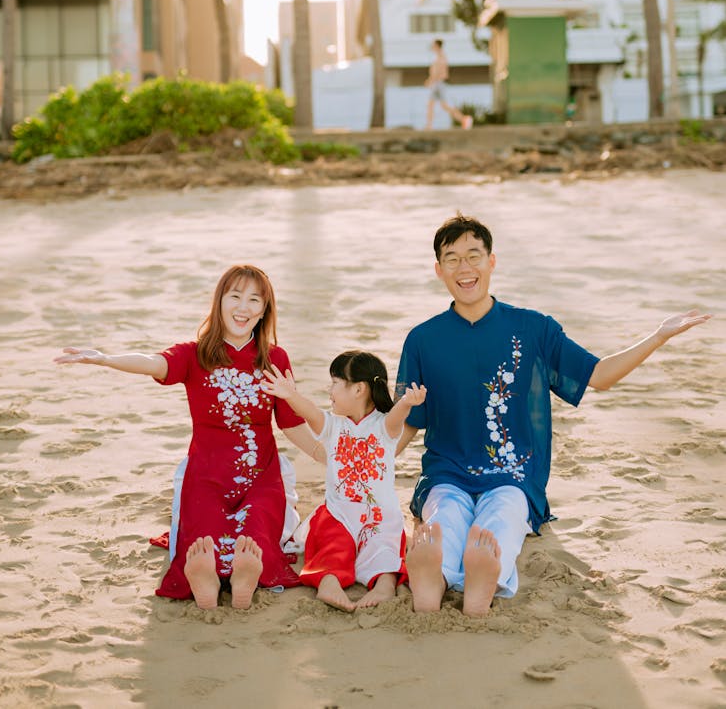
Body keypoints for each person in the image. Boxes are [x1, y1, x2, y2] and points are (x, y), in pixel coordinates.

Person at [394, 213, 711, 617]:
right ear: (438, 270)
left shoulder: (533, 329)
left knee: (502, 518)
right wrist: (364, 458)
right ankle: (433, 579)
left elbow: (598, 376)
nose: (464, 267)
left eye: (474, 255)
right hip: (446, 473)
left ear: (492, 261)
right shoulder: (422, 339)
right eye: (452, 259)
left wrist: (659, 335)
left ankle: (477, 581)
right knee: (443, 518)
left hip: (512, 476)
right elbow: (406, 422)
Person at [55, 264, 320, 611]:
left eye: (254, 300)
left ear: (264, 309)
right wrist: (106, 360)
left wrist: (324, 453)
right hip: (206, 475)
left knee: (253, 536)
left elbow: (289, 422)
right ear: (220, 302)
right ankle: (206, 580)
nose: (243, 307)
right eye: (235, 296)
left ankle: (244, 579)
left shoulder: (275, 358)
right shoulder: (195, 354)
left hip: (261, 476)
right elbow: (153, 362)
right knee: (204, 539)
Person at [262, 350, 426, 611]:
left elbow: (397, 417)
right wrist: (290, 395)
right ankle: (329, 582)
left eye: (336, 383)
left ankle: (384, 584)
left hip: (377, 516)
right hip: (339, 512)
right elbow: (311, 413)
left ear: (359, 389)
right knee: (329, 544)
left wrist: (407, 403)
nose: (330, 390)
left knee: (384, 547)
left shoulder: (384, 427)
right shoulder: (334, 425)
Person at [425, 38, 473, 130]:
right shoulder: (438, 57)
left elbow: (440, 72)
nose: (432, 47)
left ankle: (464, 119)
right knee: (438, 105)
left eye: (433, 45)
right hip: (437, 84)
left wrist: (430, 80)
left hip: (438, 84)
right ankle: (464, 119)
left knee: (437, 105)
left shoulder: (441, 57)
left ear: (437, 46)